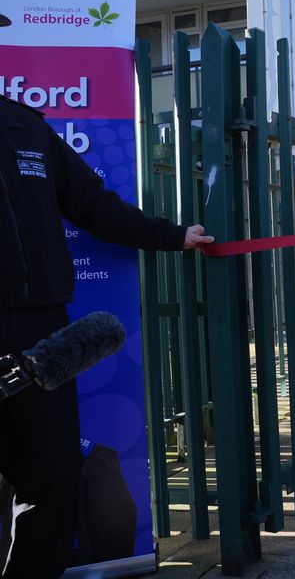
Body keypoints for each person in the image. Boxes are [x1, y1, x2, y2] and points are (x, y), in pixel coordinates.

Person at [0, 94, 212, 579]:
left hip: (42, 334)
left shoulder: (24, 125)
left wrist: (171, 235)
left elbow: (91, 204)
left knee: (54, 479)